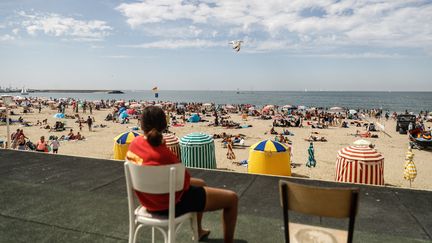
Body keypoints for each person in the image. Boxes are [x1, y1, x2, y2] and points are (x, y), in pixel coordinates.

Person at [126, 106, 238, 243]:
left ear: (141, 124)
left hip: (147, 201)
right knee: (232, 199)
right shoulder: (166, 155)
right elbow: (184, 184)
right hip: (168, 205)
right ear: (163, 124)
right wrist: (163, 148)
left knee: (201, 183)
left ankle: (199, 231)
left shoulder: (133, 145)